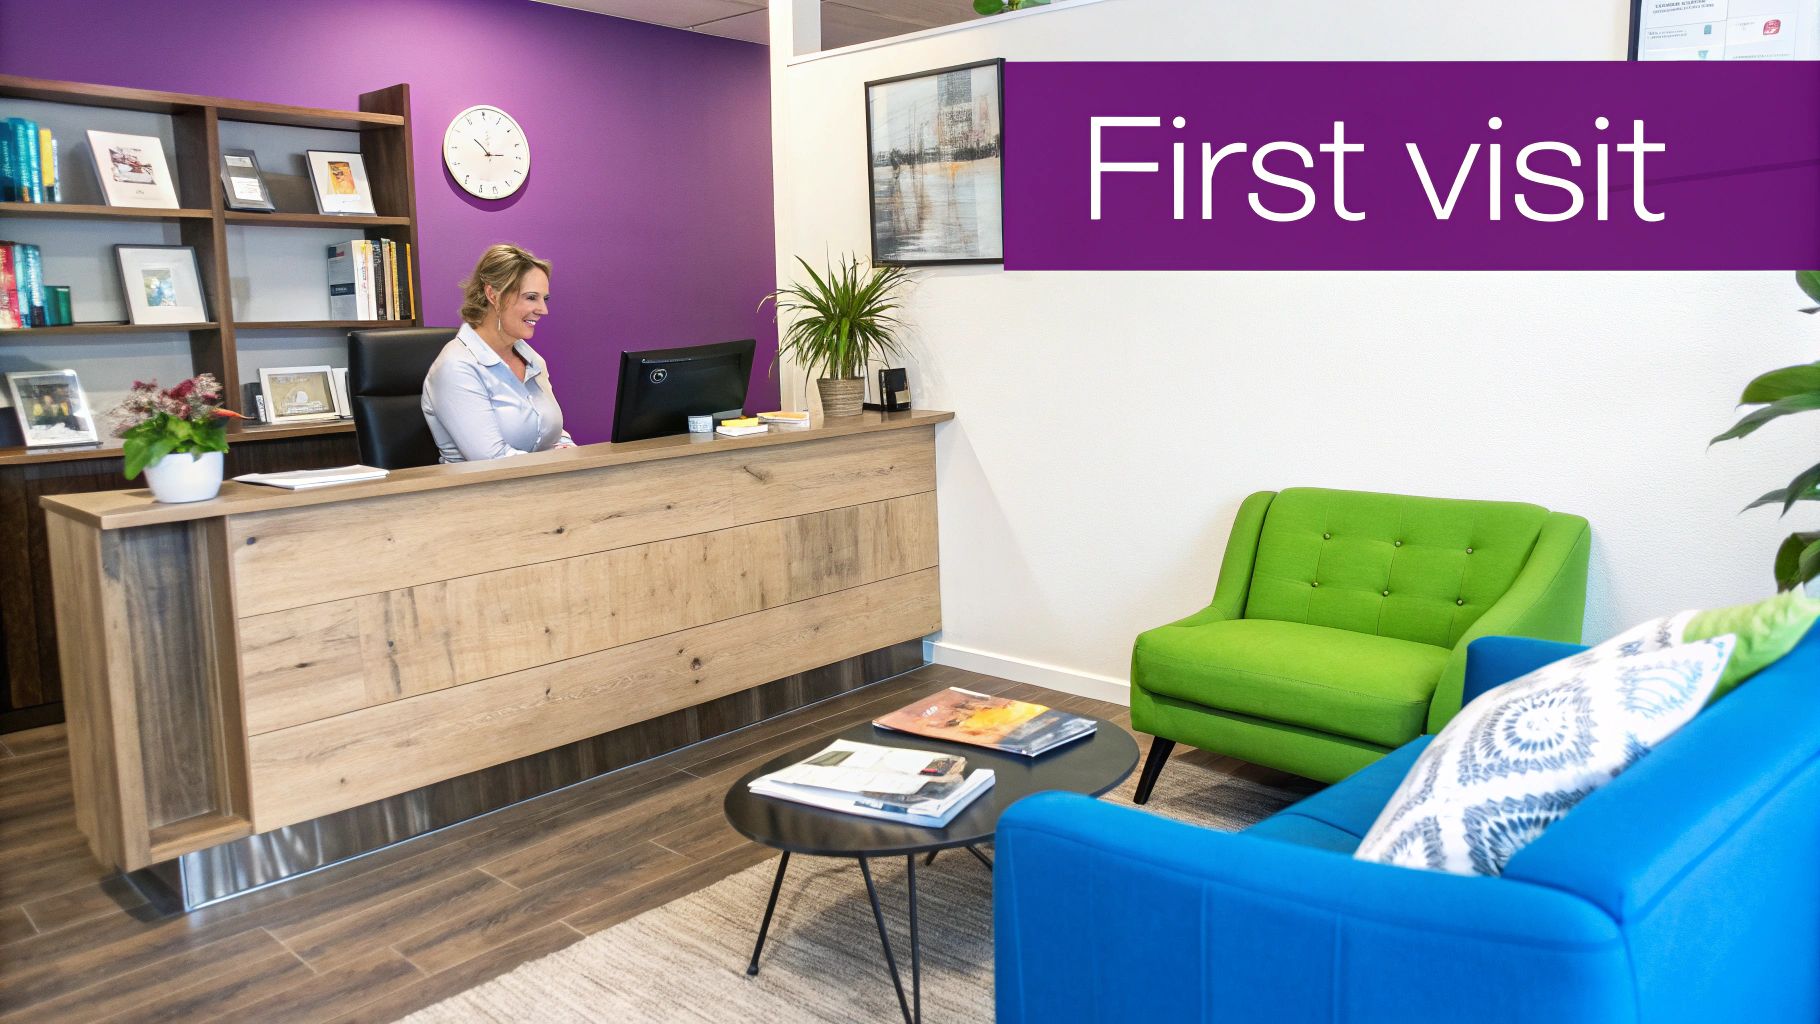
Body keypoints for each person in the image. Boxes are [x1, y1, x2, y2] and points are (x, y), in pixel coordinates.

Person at [423, 243, 575, 463]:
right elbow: (492, 460)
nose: (543, 309)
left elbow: (552, 434)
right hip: (482, 493)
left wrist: (573, 456)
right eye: (531, 297)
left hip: (539, 487)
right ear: (493, 295)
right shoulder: (456, 367)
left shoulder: (532, 360)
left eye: (545, 299)